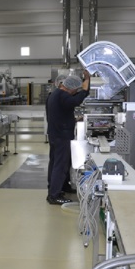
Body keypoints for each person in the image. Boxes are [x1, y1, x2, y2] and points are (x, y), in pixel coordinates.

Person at [45, 71, 90, 205]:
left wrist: (73, 120)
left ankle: (60, 186)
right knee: (61, 165)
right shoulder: (62, 95)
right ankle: (54, 195)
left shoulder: (54, 95)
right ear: (71, 88)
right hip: (62, 135)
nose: (75, 92)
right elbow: (76, 100)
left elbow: (60, 112)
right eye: (75, 90)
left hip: (55, 133)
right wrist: (85, 86)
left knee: (55, 162)